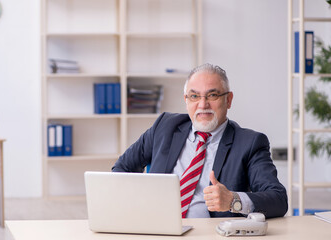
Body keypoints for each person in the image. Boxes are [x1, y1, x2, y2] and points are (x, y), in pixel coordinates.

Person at [112, 63, 288, 219]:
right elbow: (122, 168)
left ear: (228, 100)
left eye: (212, 95)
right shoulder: (165, 126)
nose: (203, 105)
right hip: (154, 227)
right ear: (186, 100)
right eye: (194, 96)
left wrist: (233, 200)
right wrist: (139, 202)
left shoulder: (250, 143)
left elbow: (278, 199)